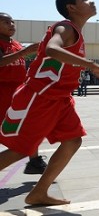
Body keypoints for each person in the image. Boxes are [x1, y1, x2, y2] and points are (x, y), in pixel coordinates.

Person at [0, 0, 99, 206]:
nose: (92, 1)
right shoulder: (65, 27)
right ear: (71, 7)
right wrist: (91, 65)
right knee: (20, 150)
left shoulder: (77, 32)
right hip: (41, 96)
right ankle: (38, 191)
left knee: (73, 140)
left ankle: (38, 192)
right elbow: (52, 49)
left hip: (60, 97)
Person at [0, 13, 48, 175]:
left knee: (28, 127)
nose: (11, 24)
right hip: (2, 92)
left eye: (12, 21)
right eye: (6, 22)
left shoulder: (16, 44)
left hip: (18, 92)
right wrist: (24, 52)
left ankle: (34, 161)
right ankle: (33, 160)